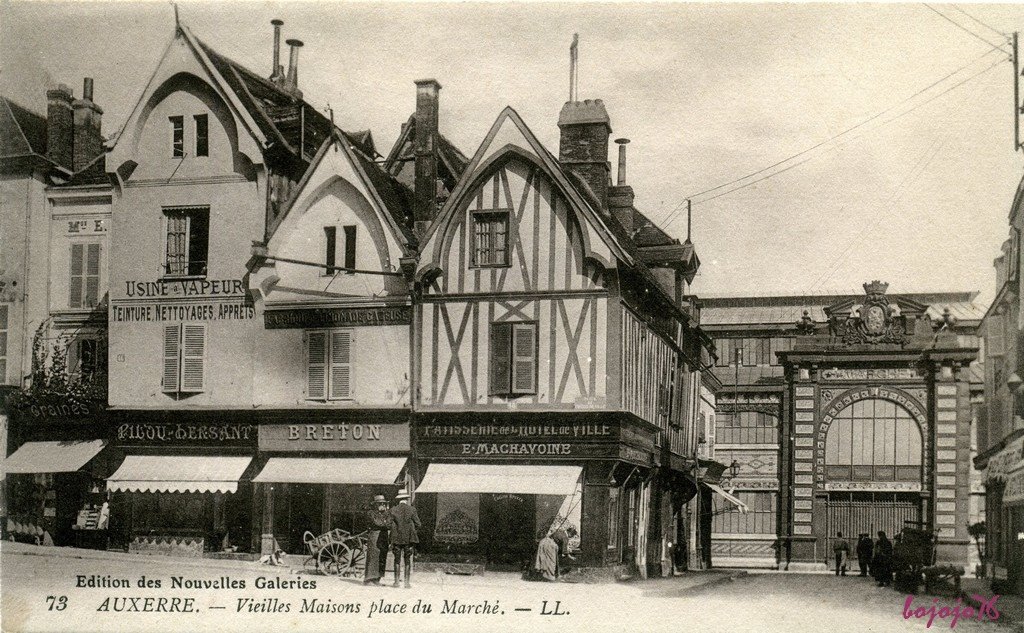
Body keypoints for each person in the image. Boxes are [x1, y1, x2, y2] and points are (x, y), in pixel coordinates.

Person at [388, 489, 420, 588]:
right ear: (406, 499)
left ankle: (396, 582)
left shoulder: (393, 510)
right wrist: (412, 530)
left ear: (399, 499)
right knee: (407, 560)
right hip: (409, 540)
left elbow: (389, 524)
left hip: (396, 539)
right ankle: (406, 583)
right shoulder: (412, 509)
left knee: (397, 560)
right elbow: (418, 524)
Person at [364, 494, 390, 585]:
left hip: (383, 536)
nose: (382, 505)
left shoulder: (385, 513)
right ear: (375, 504)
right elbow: (378, 523)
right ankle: (369, 579)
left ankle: (377, 579)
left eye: (383, 503)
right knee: (373, 557)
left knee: (381, 557)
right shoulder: (371, 513)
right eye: (380, 503)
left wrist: (385, 520)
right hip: (374, 536)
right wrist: (385, 522)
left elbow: (389, 523)